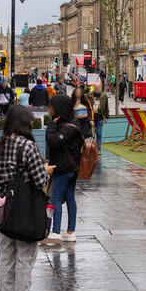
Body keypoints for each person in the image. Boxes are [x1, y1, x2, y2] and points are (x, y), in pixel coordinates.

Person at [0, 104, 50, 291]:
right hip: (25, 211)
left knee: (6, 261)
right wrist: (46, 170)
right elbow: (40, 180)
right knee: (24, 260)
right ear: (24, 124)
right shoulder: (27, 146)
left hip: (2, 211)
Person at [45, 95, 84, 244]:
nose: (49, 109)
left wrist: (51, 126)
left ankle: (56, 232)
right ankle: (70, 232)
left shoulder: (68, 127)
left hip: (64, 168)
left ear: (58, 108)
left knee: (55, 198)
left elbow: (53, 141)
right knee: (69, 197)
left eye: (51, 107)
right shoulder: (70, 123)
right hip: (71, 168)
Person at [92, 87, 110, 152]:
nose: (97, 89)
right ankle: (92, 148)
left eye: (98, 88)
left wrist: (106, 117)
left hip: (100, 117)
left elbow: (106, 107)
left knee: (99, 133)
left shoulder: (104, 97)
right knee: (92, 134)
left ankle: (98, 149)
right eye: (96, 88)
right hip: (91, 118)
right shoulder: (89, 96)